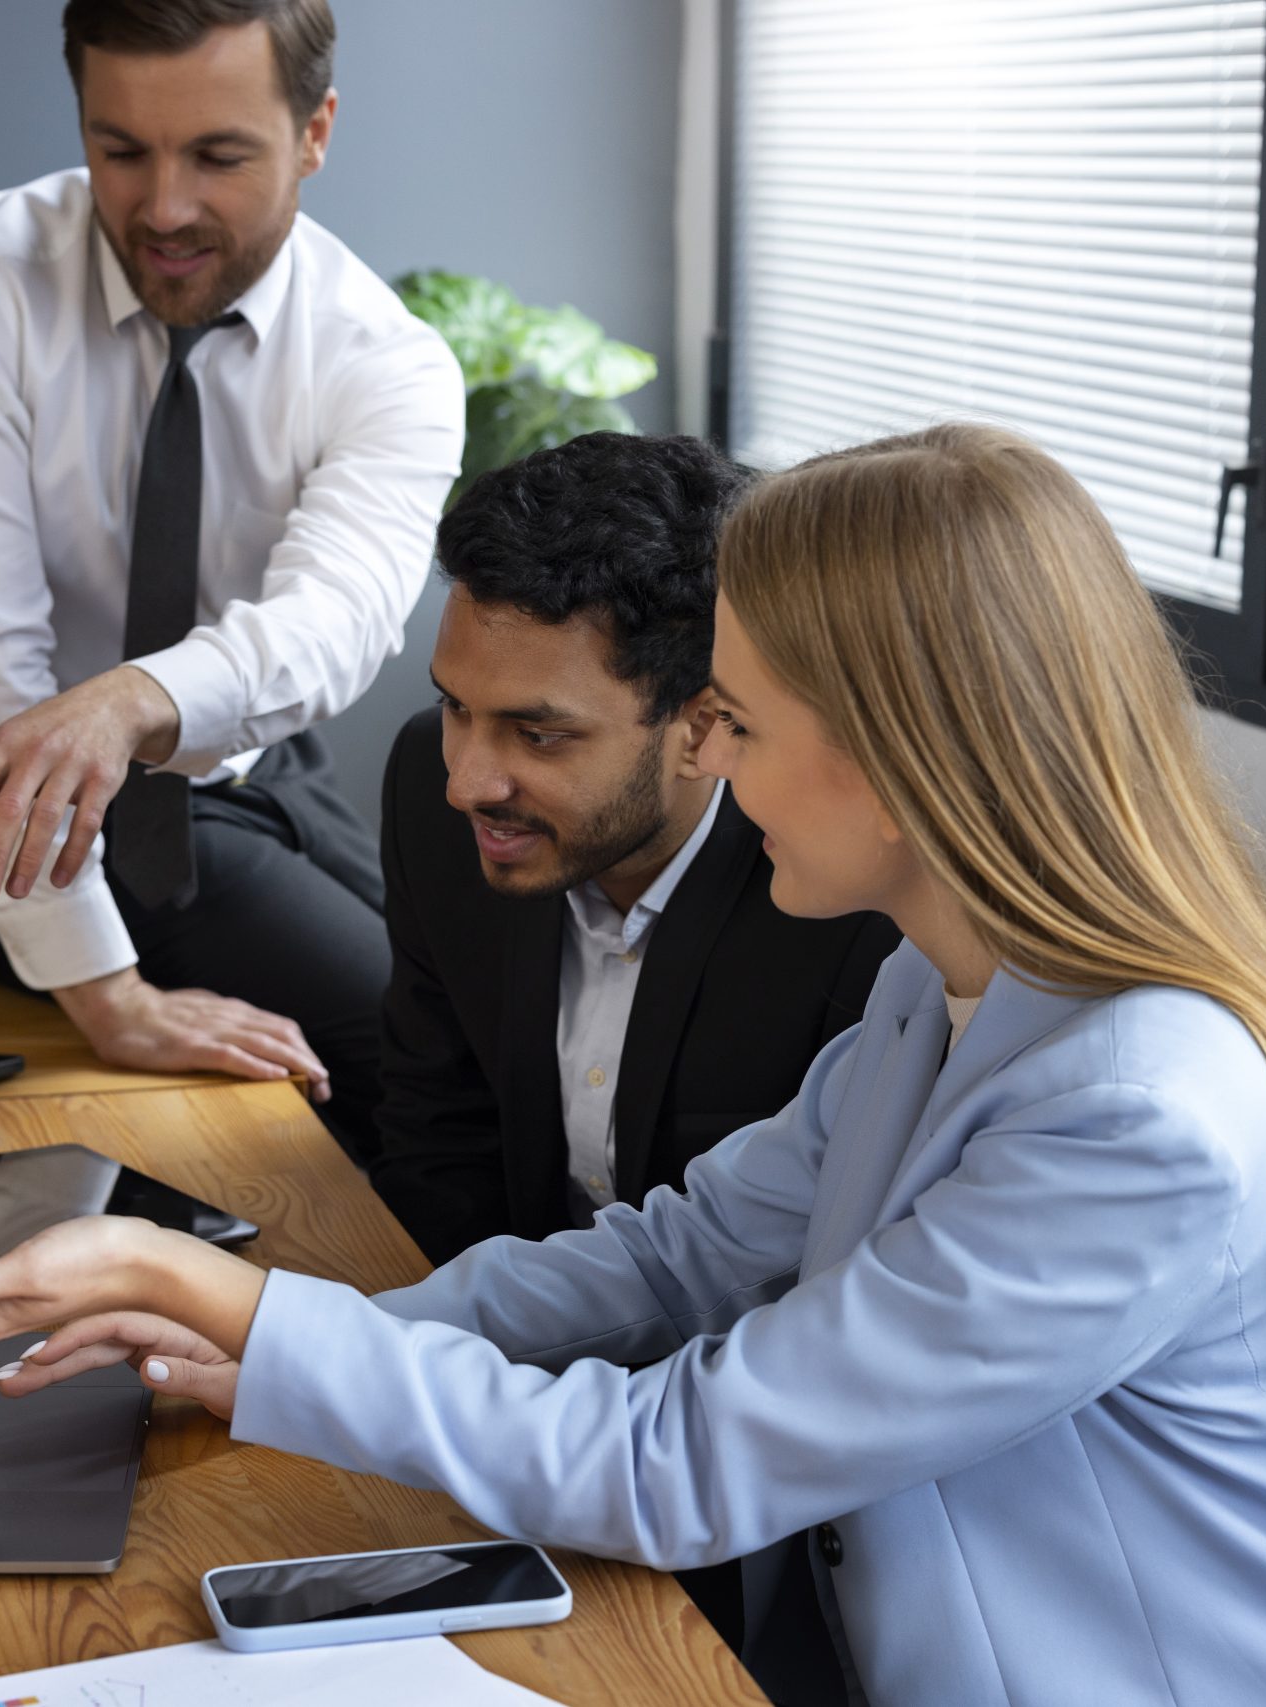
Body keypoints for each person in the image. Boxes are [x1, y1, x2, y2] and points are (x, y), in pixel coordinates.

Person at [0, 424, 1266, 1706]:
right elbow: (676, 1252)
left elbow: (688, 1458)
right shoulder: (949, 991)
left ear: (900, 765)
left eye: (741, 721)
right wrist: (273, 1341)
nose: (717, 764)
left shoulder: (1131, 1116)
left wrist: (232, 1302)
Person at [0, 0, 464, 1159]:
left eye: (218, 156)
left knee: (486, 1007)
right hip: (30, 820)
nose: (164, 207)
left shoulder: (384, 360)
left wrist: (134, 698)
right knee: (411, 1057)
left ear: (314, 132)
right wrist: (111, 999)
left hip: (255, 771)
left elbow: (339, 617)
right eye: (121, 149)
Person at [373, 432, 895, 1264]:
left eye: (539, 735)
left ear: (704, 727)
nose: (466, 783)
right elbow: (437, 1131)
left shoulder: (848, 891)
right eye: (455, 708)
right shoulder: (425, 788)